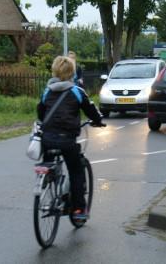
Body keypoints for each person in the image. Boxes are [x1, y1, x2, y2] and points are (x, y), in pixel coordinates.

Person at [37, 56, 104, 221]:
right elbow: (90, 110)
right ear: (72, 73)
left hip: (47, 139)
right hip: (67, 140)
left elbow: (41, 112)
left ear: (54, 71)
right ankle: (79, 209)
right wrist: (98, 121)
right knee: (76, 171)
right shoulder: (76, 91)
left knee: (49, 160)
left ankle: (47, 178)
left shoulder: (47, 91)